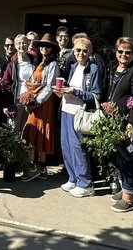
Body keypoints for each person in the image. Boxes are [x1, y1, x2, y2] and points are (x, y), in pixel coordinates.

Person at [54, 37, 102, 197]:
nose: (81, 53)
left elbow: (95, 95)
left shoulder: (93, 69)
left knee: (78, 148)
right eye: (78, 50)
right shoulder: (73, 66)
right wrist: (61, 91)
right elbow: (69, 88)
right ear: (73, 51)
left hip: (79, 114)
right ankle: (73, 178)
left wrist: (74, 91)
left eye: (85, 50)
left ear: (90, 52)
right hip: (66, 110)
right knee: (66, 146)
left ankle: (86, 184)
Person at [106, 37, 133, 212]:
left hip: (128, 124)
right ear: (116, 52)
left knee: (128, 157)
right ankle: (125, 189)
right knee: (120, 157)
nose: (124, 55)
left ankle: (129, 198)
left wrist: (131, 124)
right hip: (116, 121)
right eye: (121, 51)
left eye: (128, 52)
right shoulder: (114, 70)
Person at [20, 33, 59, 181]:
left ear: (52, 49)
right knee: (32, 132)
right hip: (35, 101)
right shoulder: (39, 62)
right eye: (42, 45)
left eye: (48, 46)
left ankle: (39, 167)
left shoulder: (53, 65)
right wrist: (27, 96)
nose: (44, 48)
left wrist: (35, 102)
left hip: (43, 103)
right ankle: (35, 166)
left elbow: (50, 87)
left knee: (42, 130)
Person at [1, 34, 37, 131]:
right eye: (19, 43)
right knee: (14, 128)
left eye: (24, 42)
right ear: (16, 46)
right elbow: (5, 84)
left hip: (32, 101)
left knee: (28, 128)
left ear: (28, 44)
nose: (22, 45)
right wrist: (7, 103)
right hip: (17, 100)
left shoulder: (34, 61)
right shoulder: (12, 64)